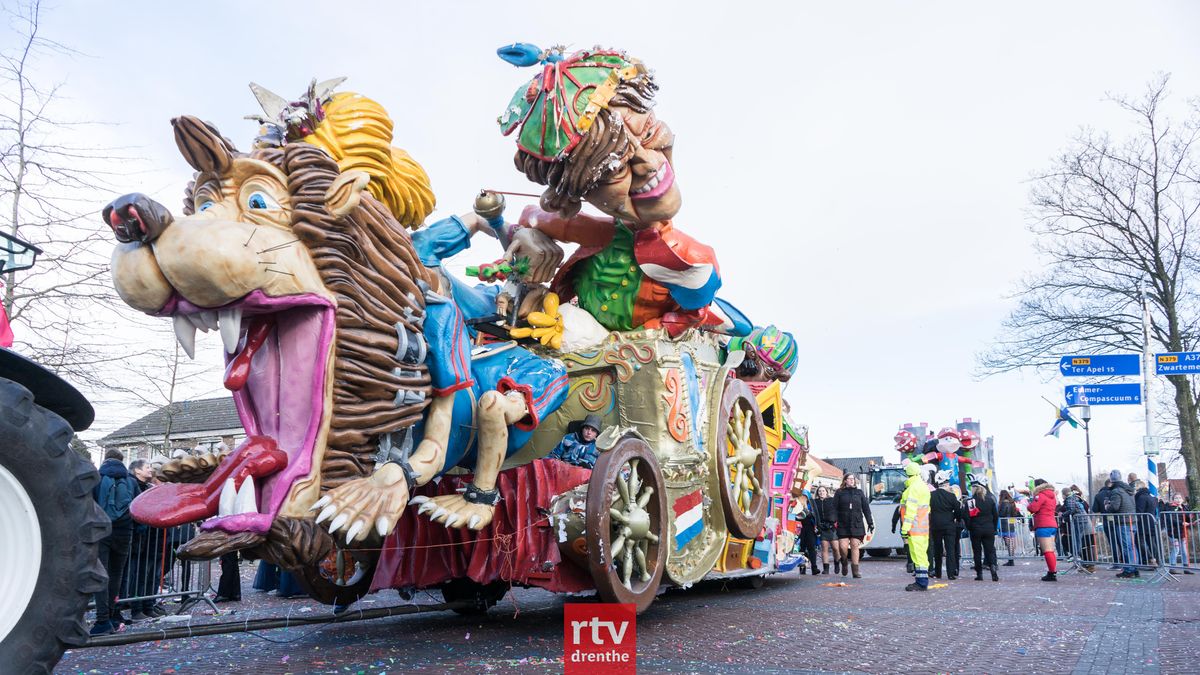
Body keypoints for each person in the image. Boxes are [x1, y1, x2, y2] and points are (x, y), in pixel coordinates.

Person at [91, 449, 140, 635]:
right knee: (116, 576)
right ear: (122, 460)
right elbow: (137, 508)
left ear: (105, 460)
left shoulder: (96, 478)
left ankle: (102, 620)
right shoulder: (131, 481)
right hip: (125, 532)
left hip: (101, 531)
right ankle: (111, 617)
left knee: (101, 575)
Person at [126, 460, 169, 621]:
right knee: (139, 576)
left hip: (154, 541)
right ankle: (137, 608)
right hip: (142, 541)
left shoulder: (150, 489)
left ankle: (149, 605)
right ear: (137, 471)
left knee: (152, 576)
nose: (150, 470)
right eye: (147, 467)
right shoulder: (133, 486)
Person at [833, 473, 874, 578]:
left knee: (855, 546)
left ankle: (855, 571)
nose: (852, 481)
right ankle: (844, 562)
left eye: (853, 479)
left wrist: (870, 523)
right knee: (843, 547)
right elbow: (833, 508)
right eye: (849, 479)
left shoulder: (859, 493)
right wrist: (832, 520)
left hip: (857, 523)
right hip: (843, 523)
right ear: (845, 480)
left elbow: (866, 509)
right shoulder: (839, 493)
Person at [900, 461, 932, 591]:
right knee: (921, 555)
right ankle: (921, 580)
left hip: (914, 527)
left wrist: (905, 528)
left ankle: (921, 582)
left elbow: (910, 510)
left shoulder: (912, 489)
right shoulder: (924, 487)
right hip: (922, 527)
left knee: (917, 555)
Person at [1104, 470, 1139, 578]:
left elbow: (1115, 507)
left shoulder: (1116, 491)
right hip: (1132, 521)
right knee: (1132, 546)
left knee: (1126, 547)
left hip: (1123, 522)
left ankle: (1129, 570)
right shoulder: (1128, 490)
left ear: (1112, 480)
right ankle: (1135, 568)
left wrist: (1107, 506)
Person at [929, 470, 962, 580]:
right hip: (949, 525)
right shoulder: (951, 496)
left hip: (935, 525)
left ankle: (938, 572)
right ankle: (951, 573)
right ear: (946, 484)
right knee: (950, 549)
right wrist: (957, 519)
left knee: (937, 550)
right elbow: (958, 510)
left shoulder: (931, 495)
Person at [966, 482, 1000, 581]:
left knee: (977, 552)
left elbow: (967, 517)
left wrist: (970, 527)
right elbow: (995, 515)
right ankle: (993, 569)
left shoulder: (971, 502)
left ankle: (979, 574)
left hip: (976, 529)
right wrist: (993, 527)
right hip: (989, 528)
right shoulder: (990, 500)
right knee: (989, 550)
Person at [1027, 478, 1059, 581]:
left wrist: (1029, 504)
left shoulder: (1040, 495)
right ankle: (1052, 571)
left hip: (1043, 524)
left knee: (1047, 551)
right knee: (1051, 550)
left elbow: (1033, 508)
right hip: (1052, 524)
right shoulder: (1052, 496)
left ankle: (1052, 573)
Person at [1062, 484, 1094, 572]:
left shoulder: (1070, 500)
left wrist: (1063, 515)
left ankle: (1078, 556)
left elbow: (1071, 510)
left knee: (1078, 540)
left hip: (1080, 521)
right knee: (1078, 540)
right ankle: (1078, 557)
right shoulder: (1077, 499)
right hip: (1083, 521)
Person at [1160, 494, 1194, 574]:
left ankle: (1186, 568)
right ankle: (1172, 568)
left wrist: (1191, 517)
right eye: (1176, 498)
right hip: (1173, 531)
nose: (1178, 499)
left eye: (1179, 498)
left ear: (1182, 499)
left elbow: (1188, 518)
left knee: (1184, 550)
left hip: (1182, 532)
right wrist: (1181, 523)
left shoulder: (1184, 507)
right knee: (1176, 549)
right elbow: (1171, 519)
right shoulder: (1170, 507)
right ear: (1173, 499)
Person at [1133, 479, 1159, 567]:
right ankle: (1156, 560)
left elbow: (1139, 511)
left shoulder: (1141, 497)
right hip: (1151, 521)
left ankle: (1151, 559)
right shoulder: (1151, 497)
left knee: (1139, 541)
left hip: (1143, 523)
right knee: (1151, 542)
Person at [813, 485, 837, 574]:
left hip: (831, 527)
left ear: (826, 492)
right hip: (822, 527)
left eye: (823, 491)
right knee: (824, 548)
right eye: (819, 491)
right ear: (817, 493)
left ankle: (837, 563)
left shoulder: (832, 500)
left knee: (835, 548)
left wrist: (833, 522)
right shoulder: (815, 502)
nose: (821, 492)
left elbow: (836, 512)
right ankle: (826, 568)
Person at [796, 494, 821, 575]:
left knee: (812, 548)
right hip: (800, 528)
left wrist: (810, 514)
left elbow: (816, 514)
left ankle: (814, 568)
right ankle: (802, 568)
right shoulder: (796, 503)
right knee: (802, 548)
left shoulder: (810, 502)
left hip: (810, 527)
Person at [998, 489, 1019, 566]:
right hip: (1011, 523)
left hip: (1005, 524)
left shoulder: (1004, 503)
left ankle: (1011, 560)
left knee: (1008, 543)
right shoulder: (1012, 503)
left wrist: (998, 512)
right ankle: (1011, 559)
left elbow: (1002, 513)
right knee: (1011, 542)